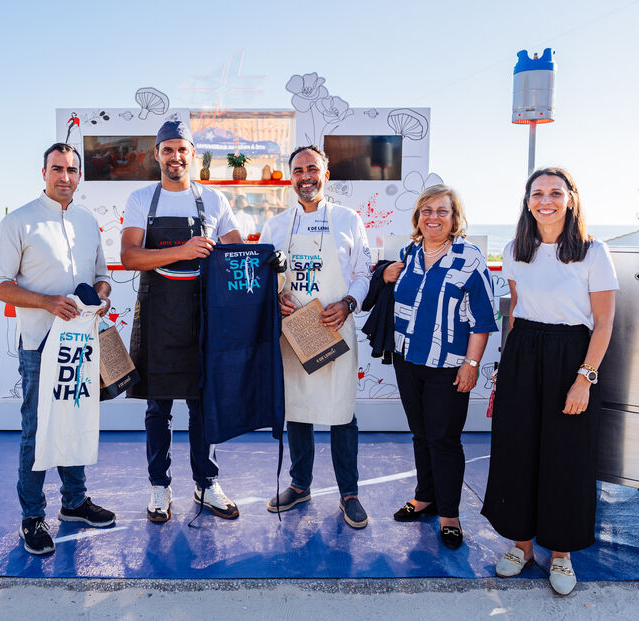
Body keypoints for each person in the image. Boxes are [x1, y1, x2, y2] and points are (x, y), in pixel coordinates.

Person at [481, 167, 617, 595]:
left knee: (567, 456)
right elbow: (516, 313)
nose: (546, 200)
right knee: (516, 449)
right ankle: (521, 546)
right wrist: (505, 370)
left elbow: (605, 322)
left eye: (555, 193)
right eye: (537, 193)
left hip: (571, 357)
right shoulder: (515, 249)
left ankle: (561, 553)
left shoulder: (594, 252)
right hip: (523, 354)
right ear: (527, 201)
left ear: (571, 199)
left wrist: (585, 378)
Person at [0, 143, 116, 556]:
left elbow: (101, 277)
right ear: (43, 172)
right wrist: (47, 302)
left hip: (81, 343)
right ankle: (32, 516)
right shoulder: (18, 221)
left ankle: (75, 503)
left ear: (80, 176)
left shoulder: (86, 223)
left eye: (72, 170)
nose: (65, 177)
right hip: (40, 344)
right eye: (57, 169)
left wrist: (102, 294)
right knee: (37, 429)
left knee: (75, 419)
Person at [121, 121, 244, 523]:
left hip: (202, 314)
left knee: (202, 403)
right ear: (157, 154)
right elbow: (131, 258)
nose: (175, 156)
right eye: (168, 149)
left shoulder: (213, 199)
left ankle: (206, 483)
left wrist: (263, 258)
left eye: (182, 149)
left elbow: (236, 251)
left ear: (193, 154)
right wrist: (184, 250)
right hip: (159, 313)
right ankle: (160, 486)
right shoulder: (142, 199)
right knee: (158, 407)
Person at [259, 145, 372, 528]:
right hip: (295, 332)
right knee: (298, 412)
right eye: (298, 170)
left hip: (333, 325)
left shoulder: (347, 219)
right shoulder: (275, 225)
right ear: (290, 177)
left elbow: (364, 272)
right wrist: (275, 298)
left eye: (312, 169)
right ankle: (300, 484)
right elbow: (264, 278)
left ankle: (349, 493)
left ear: (325, 174)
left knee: (342, 413)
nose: (305, 176)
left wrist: (349, 303)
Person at [381, 185, 497, 549]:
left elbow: (483, 318)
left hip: (448, 365)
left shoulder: (470, 258)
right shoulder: (410, 253)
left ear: (454, 218)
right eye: (426, 210)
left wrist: (471, 364)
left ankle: (449, 514)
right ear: (417, 217)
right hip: (407, 359)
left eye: (442, 211)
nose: (433, 217)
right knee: (420, 434)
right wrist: (386, 273)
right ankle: (425, 497)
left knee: (444, 439)